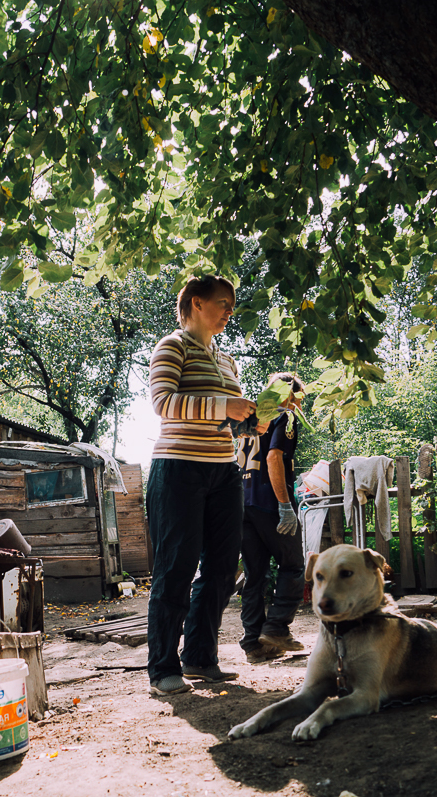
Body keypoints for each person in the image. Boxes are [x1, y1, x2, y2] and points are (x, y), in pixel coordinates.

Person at [145, 274, 257, 696]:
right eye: (223, 303)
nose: (230, 312)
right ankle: (162, 668)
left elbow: (234, 422)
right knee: (175, 568)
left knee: (223, 568)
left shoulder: (227, 360)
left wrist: (259, 415)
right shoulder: (171, 346)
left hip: (224, 471)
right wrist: (222, 405)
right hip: (178, 470)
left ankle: (199, 657)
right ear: (195, 303)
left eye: (232, 305)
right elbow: (163, 403)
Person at [237, 373, 307, 663]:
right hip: (269, 503)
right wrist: (284, 505)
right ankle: (276, 627)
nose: (300, 406)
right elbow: (273, 457)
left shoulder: (248, 421)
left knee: (255, 574)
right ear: (288, 396)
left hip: (243, 504)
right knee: (293, 566)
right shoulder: (284, 418)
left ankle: (254, 644)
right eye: (299, 399)